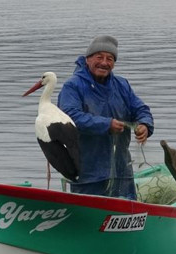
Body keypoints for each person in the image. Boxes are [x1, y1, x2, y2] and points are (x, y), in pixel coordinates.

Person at [58, 35, 154, 199]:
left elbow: (140, 108)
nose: (104, 62)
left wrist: (145, 124)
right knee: (89, 213)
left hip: (121, 169)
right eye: (99, 57)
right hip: (87, 173)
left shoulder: (121, 85)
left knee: (126, 214)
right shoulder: (72, 86)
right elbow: (70, 117)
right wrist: (106, 124)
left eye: (110, 58)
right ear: (88, 59)